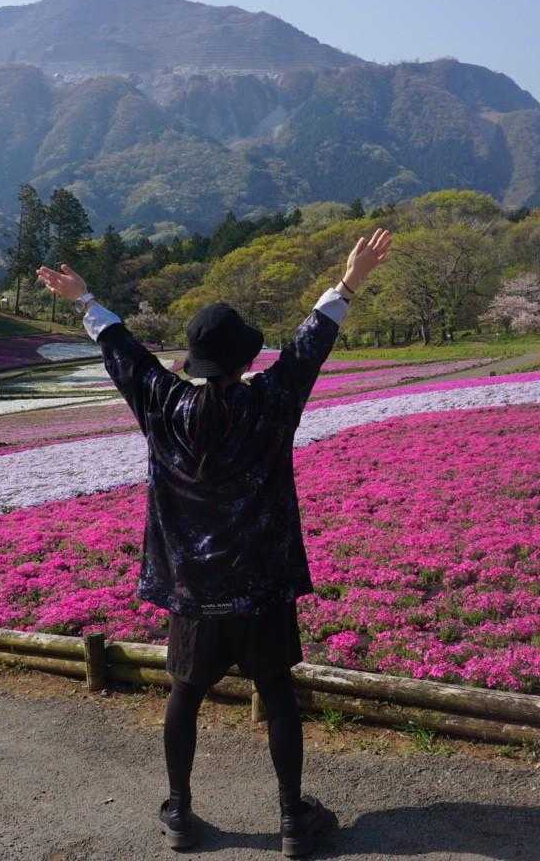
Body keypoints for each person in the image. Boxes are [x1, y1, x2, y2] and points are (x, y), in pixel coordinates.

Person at [37, 228, 392, 857]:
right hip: (260, 585)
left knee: (185, 692)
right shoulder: (269, 403)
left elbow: (124, 352)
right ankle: (292, 819)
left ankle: (179, 811)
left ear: (196, 362)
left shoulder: (163, 404)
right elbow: (308, 348)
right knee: (277, 693)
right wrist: (348, 282)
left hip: (193, 588)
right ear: (243, 360)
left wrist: (84, 299)